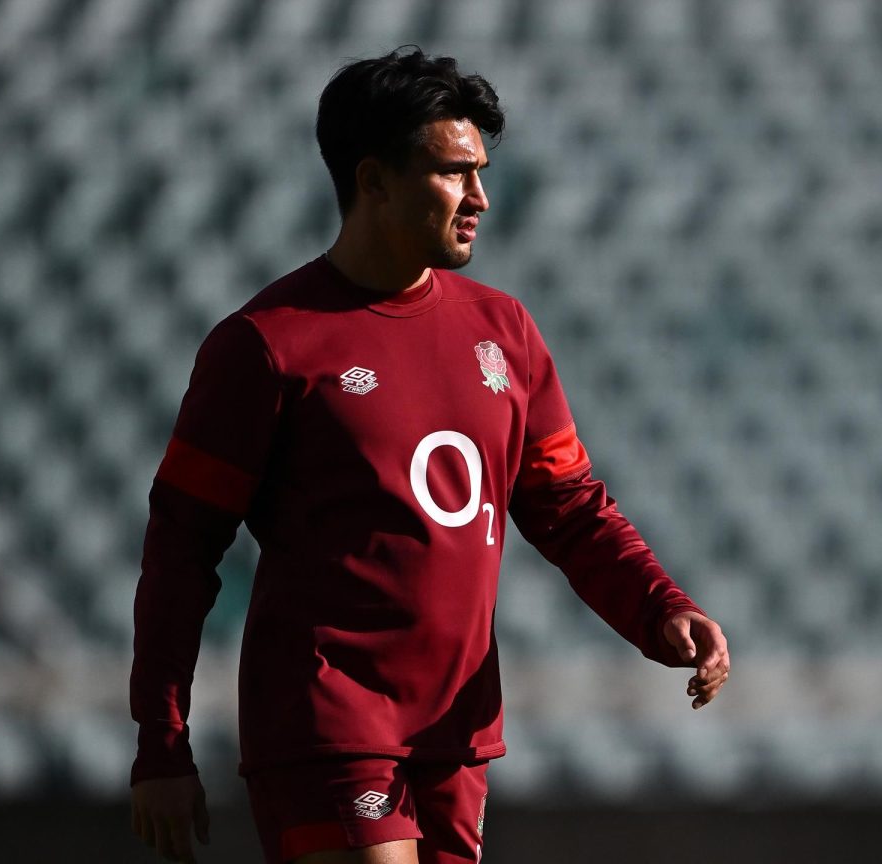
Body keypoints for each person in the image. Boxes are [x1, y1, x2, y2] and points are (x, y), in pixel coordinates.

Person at [128, 47, 731, 864]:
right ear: (374, 181)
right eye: (453, 173)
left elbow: (569, 508)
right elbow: (180, 548)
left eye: (481, 172)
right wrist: (161, 741)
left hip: (457, 729)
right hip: (326, 725)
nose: (480, 197)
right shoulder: (267, 346)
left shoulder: (504, 331)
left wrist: (661, 608)